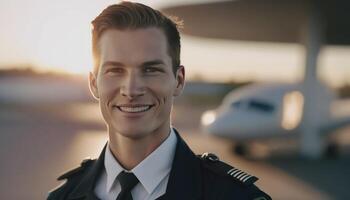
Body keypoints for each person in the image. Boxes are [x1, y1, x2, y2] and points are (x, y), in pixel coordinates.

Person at [47, 1, 271, 200]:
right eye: (115, 70)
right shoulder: (61, 197)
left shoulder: (236, 196)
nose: (131, 89)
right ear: (94, 83)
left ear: (179, 80)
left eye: (150, 69)